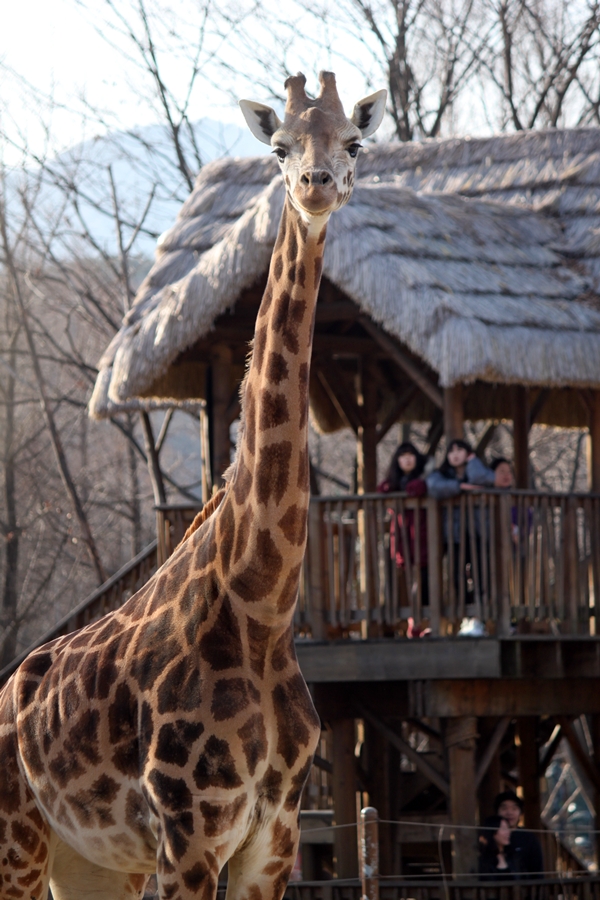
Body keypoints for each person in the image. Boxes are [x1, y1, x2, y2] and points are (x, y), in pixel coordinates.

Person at [426, 440, 496, 600]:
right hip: (454, 534)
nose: (455, 454)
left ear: (468, 453)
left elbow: (481, 478)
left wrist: (472, 461)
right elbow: (433, 486)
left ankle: (480, 606)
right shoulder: (441, 474)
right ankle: (463, 605)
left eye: (460, 450)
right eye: (451, 451)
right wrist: (459, 486)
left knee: (481, 572)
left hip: (478, 531)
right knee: (457, 573)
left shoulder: (477, 468)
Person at [378, 442, 429, 607]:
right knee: (403, 576)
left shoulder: (425, 477)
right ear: (397, 460)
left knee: (424, 576)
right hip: (402, 534)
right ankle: (410, 616)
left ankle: (424, 614)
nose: (407, 459)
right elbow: (381, 490)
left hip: (422, 532)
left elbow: (417, 489)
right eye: (402, 456)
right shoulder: (393, 481)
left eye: (410, 455)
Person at [494, 790, 543, 878]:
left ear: (520, 813)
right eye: (504, 808)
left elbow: (537, 872)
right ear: (497, 812)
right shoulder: (490, 837)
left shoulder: (529, 839)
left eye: (514, 809)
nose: (509, 812)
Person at [478, 815, 518, 879]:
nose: (508, 832)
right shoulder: (482, 860)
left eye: (508, 828)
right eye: (504, 829)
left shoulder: (513, 856)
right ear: (492, 832)